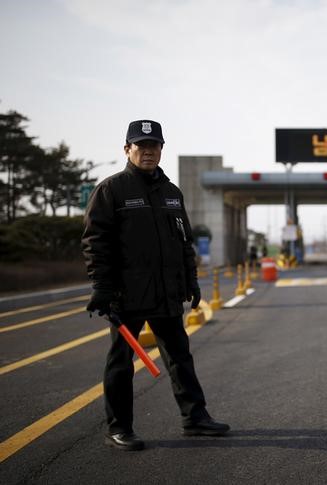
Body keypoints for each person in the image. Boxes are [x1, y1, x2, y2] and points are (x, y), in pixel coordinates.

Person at [82, 120, 229, 451]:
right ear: (127, 149)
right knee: (121, 364)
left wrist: (191, 282)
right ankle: (119, 428)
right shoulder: (111, 190)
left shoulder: (171, 193)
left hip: (167, 292)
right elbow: (96, 242)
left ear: (162, 149)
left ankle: (195, 418)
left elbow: (184, 242)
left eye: (154, 145)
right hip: (126, 294)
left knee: (180, 356)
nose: (148, 151)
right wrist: (101, 287)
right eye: (141, 145)